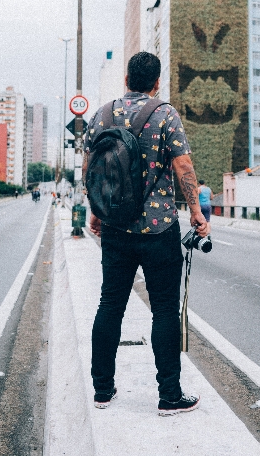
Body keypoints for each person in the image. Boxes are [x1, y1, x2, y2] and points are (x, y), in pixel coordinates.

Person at [85, 51, 208, 416]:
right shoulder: (164, 113)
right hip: (159, 228)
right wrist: (197, 213)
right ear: (157, 82)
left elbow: (90, 166)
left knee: (110, 304)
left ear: (126, 79)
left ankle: (103, 390)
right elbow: (183, 164)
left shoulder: (102, 114)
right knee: (165, 311)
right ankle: (169, 395)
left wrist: (97, 211)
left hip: (116, 228)